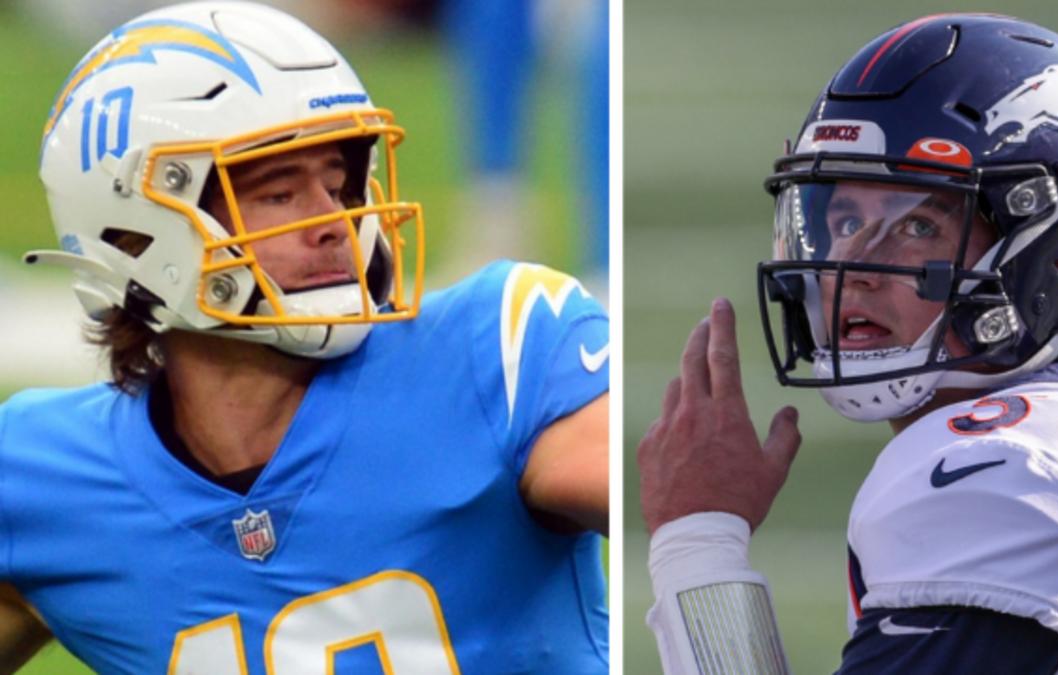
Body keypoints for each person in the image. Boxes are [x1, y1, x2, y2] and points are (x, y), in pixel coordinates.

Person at [0, 2, 609, 673]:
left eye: (338, 182)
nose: (333, 221)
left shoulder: (496, 349)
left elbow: (675, 498)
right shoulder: (39, 483)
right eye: (278, 193)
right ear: (131, 233)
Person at [638, 13, 1058, 674]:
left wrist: (698, 540)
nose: (855, 262)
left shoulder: (1006, 473)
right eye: (844, 218)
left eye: (917, 225)